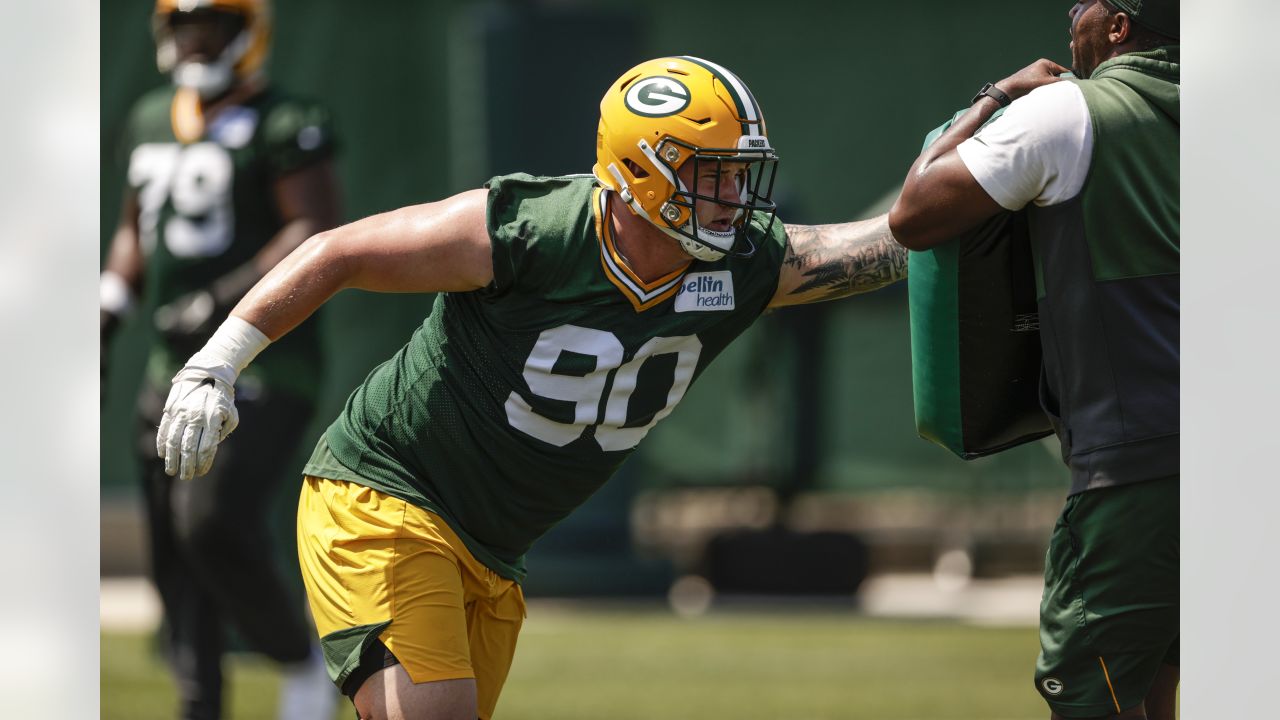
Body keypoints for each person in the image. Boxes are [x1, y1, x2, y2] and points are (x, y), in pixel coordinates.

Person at [155, 55, 907, 720]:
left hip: (495, 548)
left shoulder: (741, 262)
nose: (735, 195)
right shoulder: (533, 232)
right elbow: (337, 250)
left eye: (742, 173)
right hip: (389, 494)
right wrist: (216, 362)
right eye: (715, 174)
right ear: (646, 170)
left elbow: (879, 245)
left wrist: (979, 173)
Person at [888, 2, 1178, 719]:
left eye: (1085, 5)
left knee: (1089, 692)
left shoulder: (1064, 113)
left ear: (1119, 26)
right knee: (1159, 674)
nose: (1070, 16)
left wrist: (998, 94)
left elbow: (914, 213)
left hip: (1140, 465)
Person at [100, 1, 342, 718]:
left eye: (211, 27)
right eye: (185, 27)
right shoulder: (151, 117)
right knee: (173, 552)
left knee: (210, 522)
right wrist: (112, 299)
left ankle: (299, 659)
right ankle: (198, 702)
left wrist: (224, 300)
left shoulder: (286, 119)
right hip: (164, 368)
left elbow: (315, 225)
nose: (196, 40)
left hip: (264, 359)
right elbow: (135, 228)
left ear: (248, 32)